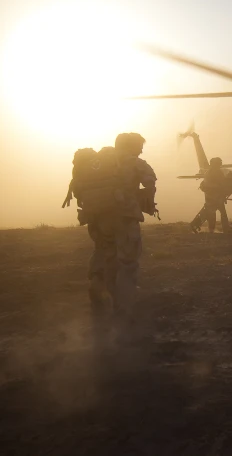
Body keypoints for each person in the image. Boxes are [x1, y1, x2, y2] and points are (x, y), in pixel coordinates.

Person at [85, 132, 157, 326]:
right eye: (139, 146)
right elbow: (150, 182)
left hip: (98, 218)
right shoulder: (135, 162)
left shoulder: (98, 163)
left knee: (108, 257)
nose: (141, 150)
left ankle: (99, 289)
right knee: (128, 262)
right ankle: (124, 309)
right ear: (131, 146)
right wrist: (143, 199)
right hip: (124, 217)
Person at [191, 157, 230, 233]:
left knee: (210, 213)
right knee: (221, 213)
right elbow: (222, 184)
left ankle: (209, 228)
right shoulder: (217, 172)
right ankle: (224, 229)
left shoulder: (208, 172)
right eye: (219, 163)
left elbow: (206, 185)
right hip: (216, 197)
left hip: (210, 197)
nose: (220, 165)